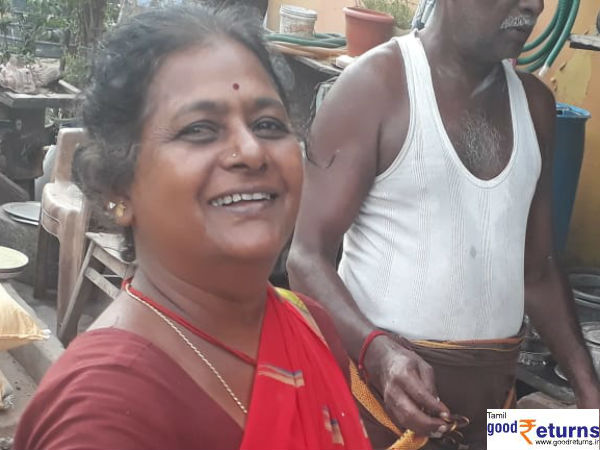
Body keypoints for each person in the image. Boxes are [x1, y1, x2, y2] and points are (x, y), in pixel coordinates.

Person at [14, 5, 372, 450]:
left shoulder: (312, 327)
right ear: (117, 188)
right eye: (200, 129)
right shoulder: (102, 415)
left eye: (268, 124)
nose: (251, 151)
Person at [287, 0, 600, 448]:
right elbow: (305, 256)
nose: (533, 6)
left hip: (491, 424)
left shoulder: (535, 107)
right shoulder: (375, 87)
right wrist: (379, 354)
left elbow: (538, 271)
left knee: (574, 440)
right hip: (378, 417)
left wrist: (589, 393)